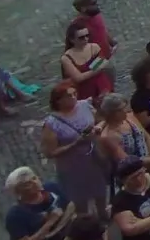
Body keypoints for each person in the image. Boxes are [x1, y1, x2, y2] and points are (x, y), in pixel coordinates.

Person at [39, 85, 111, 221]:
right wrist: (75, 143)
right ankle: (86, 224)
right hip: (72, 166)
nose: (74, 97)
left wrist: (97, 128)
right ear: (58, 101)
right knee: (80, 198)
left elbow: (102, 119)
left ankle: (103, 215)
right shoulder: (52, 124)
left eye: (74, 93)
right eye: (69, 96)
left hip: (94, 157)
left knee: (100, 190)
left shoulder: (85, 106)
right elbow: (50, 152)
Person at [3, 167, 76, 240]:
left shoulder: (52, 188)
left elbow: (71, 205)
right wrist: (49, 223)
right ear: (18, 192)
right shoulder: (16, 214)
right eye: (27, 184)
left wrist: (56, 229)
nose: (34, 183)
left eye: (34, 178)